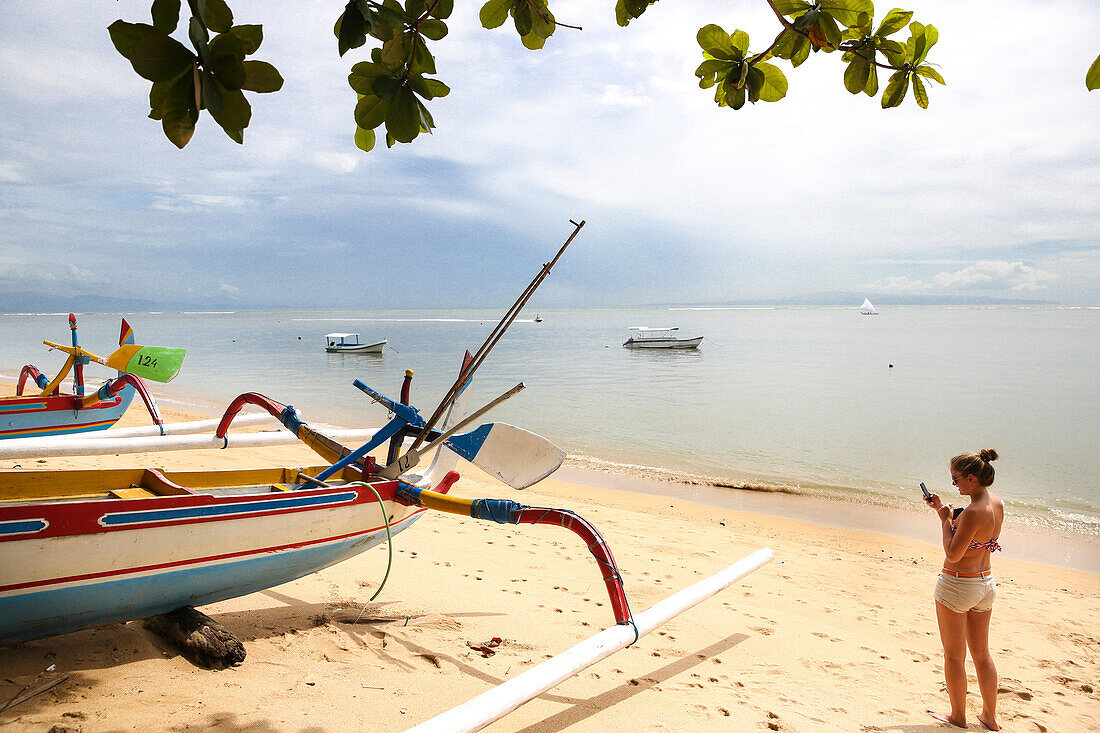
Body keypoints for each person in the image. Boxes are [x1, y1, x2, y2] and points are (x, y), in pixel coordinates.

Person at [923, 449, 1004, 730]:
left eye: (956, 479)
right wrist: (943, 509)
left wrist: (944, 521)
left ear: (971, 477)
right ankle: (989, 716)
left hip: (958, 583)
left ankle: (958, 716)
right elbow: (977, 538)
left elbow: (954, 552)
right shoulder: (996, 503)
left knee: (954, 655)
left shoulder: (970, 512)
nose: (954, 484)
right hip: (985, 583)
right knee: (982, 653)